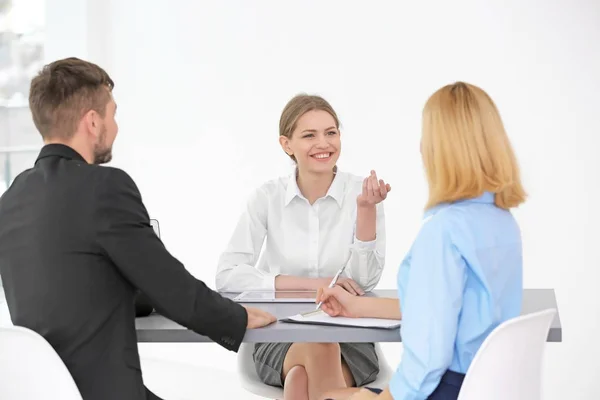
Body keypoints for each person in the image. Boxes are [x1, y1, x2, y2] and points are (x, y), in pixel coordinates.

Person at [0, 57, 276, 400]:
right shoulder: (104, 187)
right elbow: (170, 286)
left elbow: (74, 283)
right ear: (92, 122)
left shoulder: (9, 201)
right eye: (112, 115)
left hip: (45, 390)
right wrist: (236, 318)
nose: (115, 127)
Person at [317, 82, 527, 400]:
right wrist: (358, 306)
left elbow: (429, 359)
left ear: (442, 148)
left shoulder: (444, 231)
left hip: (446, 388)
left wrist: (381, 399)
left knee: (325, 396)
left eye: (426, 137)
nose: (420, 147)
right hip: (487, 388)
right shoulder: (502, 222)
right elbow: (446, 311)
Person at [215, 94, 391, 400]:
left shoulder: (362, 194)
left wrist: (365, 211)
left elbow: (363, 283)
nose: (323, 144)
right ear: (287, 145)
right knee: (316, 351)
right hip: (278, 331)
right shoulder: (267, 198)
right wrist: (318, 286)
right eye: (309, 135)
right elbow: (227, 275)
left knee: (300, 379)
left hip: (352, 335)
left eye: (331, 132)